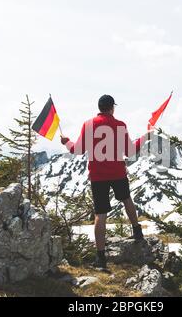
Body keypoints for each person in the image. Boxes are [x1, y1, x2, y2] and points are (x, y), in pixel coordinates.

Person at [60, 94, 150, 269]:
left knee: (100, 214)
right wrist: (145, 137)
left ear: (99, 107)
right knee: (126, 199)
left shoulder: (88, 124)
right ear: (112, 108)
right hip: (118, 172)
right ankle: (137, 232)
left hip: (98, 176)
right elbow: (130, 151)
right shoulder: (120, 125)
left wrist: (66, 142)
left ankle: (101, 259)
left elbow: (77, 150)